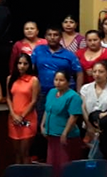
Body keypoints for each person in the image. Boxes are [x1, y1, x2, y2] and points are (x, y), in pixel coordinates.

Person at [32, 25, 83, 161]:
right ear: (45, 37)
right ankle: (45, 158)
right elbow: (31, 69)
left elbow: (79, 72)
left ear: (60, 37)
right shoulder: (38, 50)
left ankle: (64, 156)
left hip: (65, 94)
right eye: (49, 35)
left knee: (63, 124)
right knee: (43, 126)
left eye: (55, 35)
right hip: (43, 93)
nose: (52, 37)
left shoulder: (69, 55)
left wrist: (78, 92)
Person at [41, 70, 83, 177]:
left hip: (66, 136)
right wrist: (43, 125)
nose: (58, 83)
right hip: (51, 133)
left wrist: (65, 133)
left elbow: (74, 116)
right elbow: (47, 110)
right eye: (56, 80)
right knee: (52, 163)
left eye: (61, 80)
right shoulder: (51, 92)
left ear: (68, 82)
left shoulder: (73, 96)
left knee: (64, 164)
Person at [6, 54, 40, 164]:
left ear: (29, 65)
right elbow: (8, 98)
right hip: (13, 118)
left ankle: (27, 173)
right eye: (19, 63)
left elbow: (34, 101)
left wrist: (22, 116)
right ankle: (18, 174)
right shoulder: (10, 79)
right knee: (16, 152)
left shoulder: (33, 80)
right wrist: (13, 114)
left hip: (28, 119)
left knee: (24, 151)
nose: (22, 66)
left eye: (25, 64)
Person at [80, 61, 107, 145]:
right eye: (94, 71)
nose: (97, 74)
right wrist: (89, 126)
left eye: (101, 71)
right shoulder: (85, 88)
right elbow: (83, 108)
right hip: (87, 128)